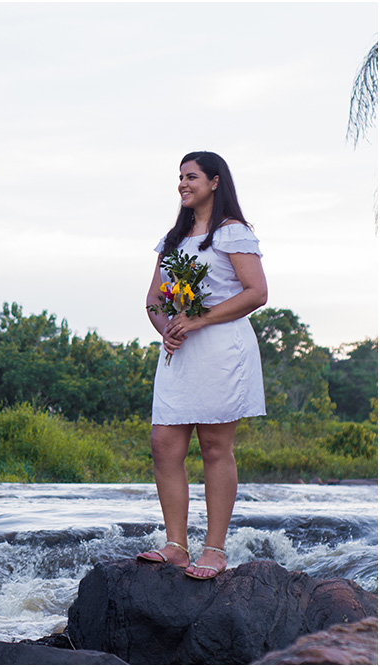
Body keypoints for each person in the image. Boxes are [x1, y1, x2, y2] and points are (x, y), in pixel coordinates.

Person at [136, 151, 267, 580]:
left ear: (214, 182)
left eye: (190, 176)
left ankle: (214, 550)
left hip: (221, 350)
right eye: (179, 177)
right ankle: (176, 545)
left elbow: (256, 293)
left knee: (214, 446)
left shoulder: (233, 233)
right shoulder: (173, 239)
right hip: (180, 352)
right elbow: (155, 299)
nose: (182, 183)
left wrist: (200, 319)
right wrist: (165, 328)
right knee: (164, 443)